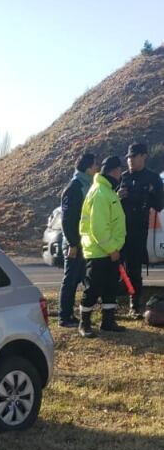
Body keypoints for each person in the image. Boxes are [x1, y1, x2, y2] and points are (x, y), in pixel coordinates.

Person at [78, 155, 126, 337]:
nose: (121, 174)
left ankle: (108, 321)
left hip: (107, 251)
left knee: (109, 288)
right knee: (93, 289)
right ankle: (84, 324)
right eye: (120, 170)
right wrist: (112, 249)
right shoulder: (100, 192)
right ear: (114, 171)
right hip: (100, 252)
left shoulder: (107, 191)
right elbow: (99, 228)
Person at [119, 142, 164, 316]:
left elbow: (159, 204)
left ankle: (134, 304)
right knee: (112, 266)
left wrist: (145, 197)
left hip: (138, 229)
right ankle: (110, 303)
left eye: (134, 157)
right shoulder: (122, 177)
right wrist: (118, 196)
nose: (130, 161)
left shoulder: (152, 178)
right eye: (128, 157)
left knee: (134, 269)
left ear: (143, 156)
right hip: (118, 229)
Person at [58, 152, 99, 327]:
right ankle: (64, 317)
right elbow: (67, 220)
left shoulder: (87, 185)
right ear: (89, 168)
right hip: (74, 243)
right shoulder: (75, 187)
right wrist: (73, 243)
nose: (97, 168)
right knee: (70, 280)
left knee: (78, 278)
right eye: (95, 165)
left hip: (83, 242)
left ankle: (72, 315)